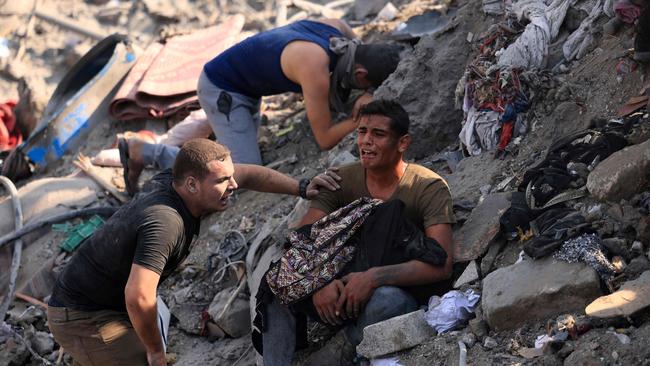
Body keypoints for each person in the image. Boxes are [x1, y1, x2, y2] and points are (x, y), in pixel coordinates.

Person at [47, 138, 341, 366]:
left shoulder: (179, 180)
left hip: (108, 300)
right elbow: (138, 297)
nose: (234, 185)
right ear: (191, 184)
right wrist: (154, 352)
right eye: (223, 181)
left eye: (230, 176)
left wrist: (302, 187)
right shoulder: (166, 222)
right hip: (83, 315)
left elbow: (249, 175)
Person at [261, 100, 456, 365]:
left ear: (403, 143)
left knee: (387, 302)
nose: (366, 141)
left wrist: (374, 278)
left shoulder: (428, 187)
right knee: (277, 286)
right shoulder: (340, 179)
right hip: (341, 279)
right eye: (362, 132)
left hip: (389, 285)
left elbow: (442, 265)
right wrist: (320, 281)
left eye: (378, 134)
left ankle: (349, 349)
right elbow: (302, 242)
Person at [120, 18, 402, 195]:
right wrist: (359, 117)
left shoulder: (339, 29)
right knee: (238, 172)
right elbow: (325, 138)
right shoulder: (314, 67)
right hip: (223, 89)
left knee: (234, 148)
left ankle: (221, 131)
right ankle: (142, 151)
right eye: (364, 86)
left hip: (246, 82)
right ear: (362, 75)